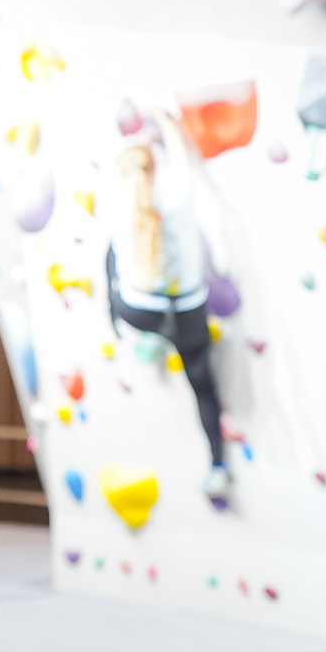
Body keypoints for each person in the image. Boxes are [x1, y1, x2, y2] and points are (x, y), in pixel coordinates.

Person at [106, 107, 229, 500]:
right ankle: (218, 465)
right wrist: (168, 124)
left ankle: (134, 331)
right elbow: (183, 160)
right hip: (188, 311)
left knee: (111, 267)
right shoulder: (177, 196)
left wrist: (133, 142)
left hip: (139, 310)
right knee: (203, 387)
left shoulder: (119, 209)